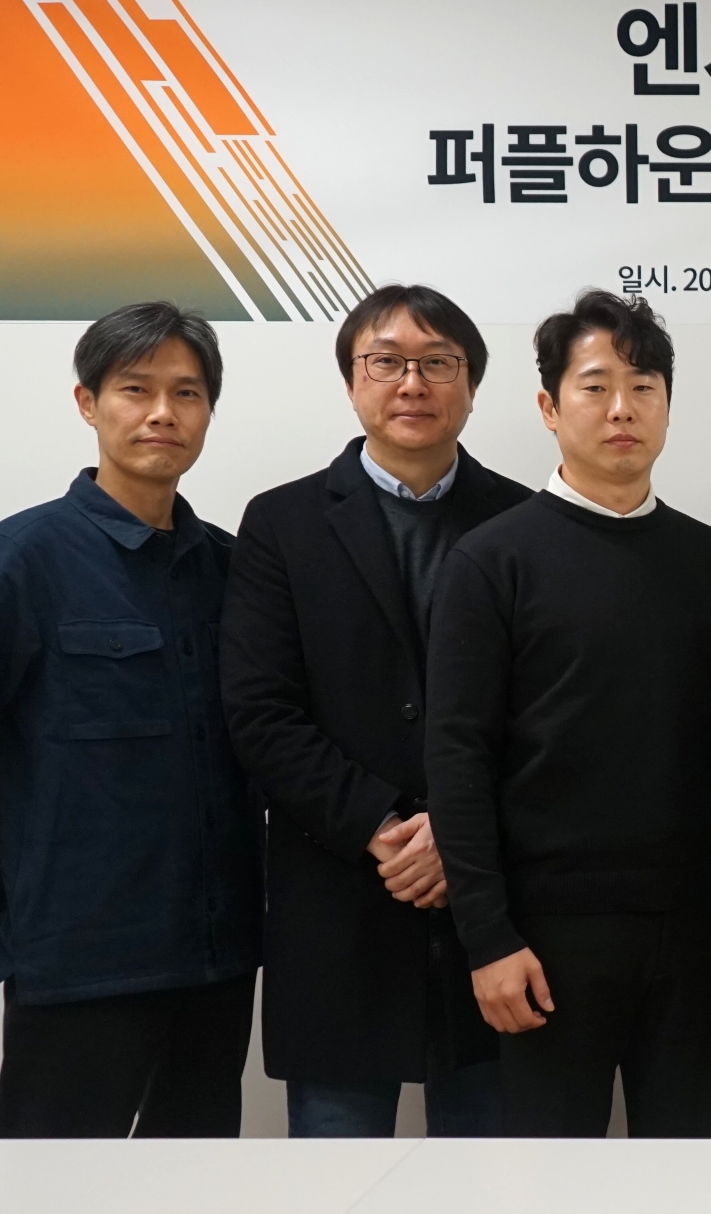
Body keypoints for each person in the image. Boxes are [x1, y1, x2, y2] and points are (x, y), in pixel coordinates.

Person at [0, 302, 260, 1137]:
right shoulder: (25, 557)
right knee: (46, 1198)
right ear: (88, 403)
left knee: (200, 1196)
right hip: (81, 960)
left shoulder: (230, 568)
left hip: (217, 958)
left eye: (187, 393)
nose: (162, 413)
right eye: (136, 389)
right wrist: (2, 891)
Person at [424, 289, 711, 1138]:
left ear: (667, 406)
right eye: (596, 386)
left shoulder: (709, 559)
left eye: (644, 387)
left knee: (687, 1165)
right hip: (546, 937)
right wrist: (488, 939)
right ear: (549, 406)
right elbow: (458, 758)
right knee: (548, 1176)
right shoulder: (492, 560)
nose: (622, 408)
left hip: (693, 928)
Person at [221, 284, 530, 1138]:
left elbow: (548, 715)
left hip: (491, 910)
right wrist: (383, 827)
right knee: (334, 1182)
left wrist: (456, 835)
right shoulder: (281, 522)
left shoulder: (524, 521)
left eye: (438, 363)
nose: (412, 383)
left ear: (472, 385)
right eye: (386, 362)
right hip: (339, 899)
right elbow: (260, 711)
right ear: (352, 382)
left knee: (494, 1184)